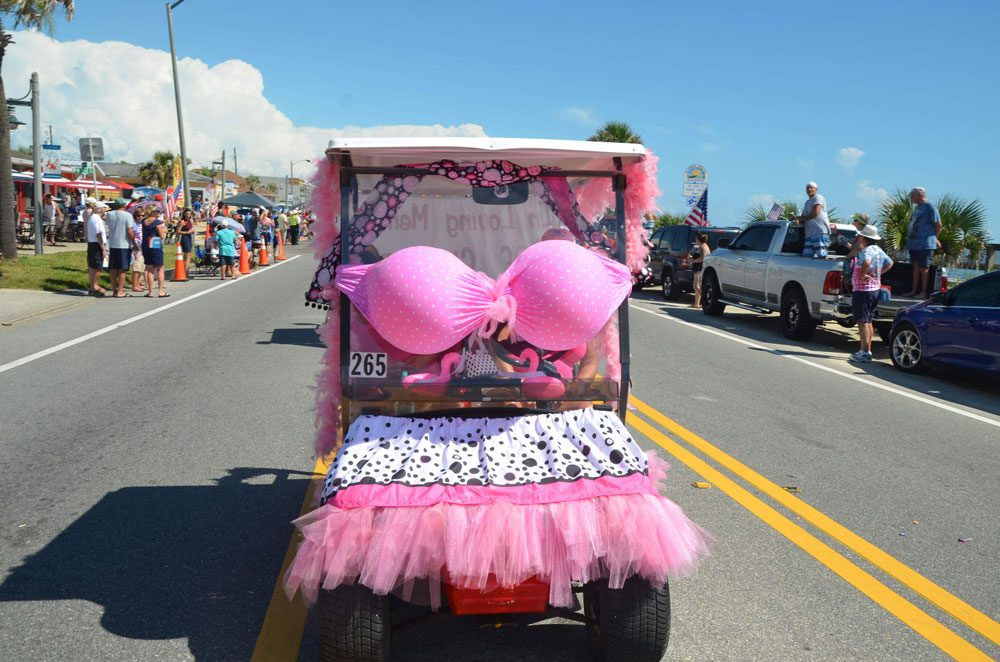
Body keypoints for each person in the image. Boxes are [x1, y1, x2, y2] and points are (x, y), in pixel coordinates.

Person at [849, 225, 894, 363]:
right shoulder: (878, 250)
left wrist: (863, 275)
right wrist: (878, 273)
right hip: (874, 289)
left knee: (862, 321)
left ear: (864, 238)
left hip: (863, 290)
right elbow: (890, 263)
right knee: (868, 320)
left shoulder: (867, 250)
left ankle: (864, 352)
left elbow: (867, 262)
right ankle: (867, 350)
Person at [902, 187, 942, 299]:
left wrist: (935, 239)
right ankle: (913, 291)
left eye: (912, 195)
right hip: (914, 243)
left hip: (925, 243)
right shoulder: (917, 207)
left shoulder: (930, 206)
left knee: (924, 268)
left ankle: (923, 292)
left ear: (920, 194)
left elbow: (938, 225)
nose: (911, 198)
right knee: (915, 267)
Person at [104, 198, 135, 298]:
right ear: (124, 205)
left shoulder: (109, 214)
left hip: (112, 244)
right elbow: (129, 231)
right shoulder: (128, 215)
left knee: (113, 269)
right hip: (124, 244)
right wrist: (134, 241)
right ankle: (120, 291)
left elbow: (106, 220)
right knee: (122, 269)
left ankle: (114, 290)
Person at [793, 181, 830, 258]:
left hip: (819, 232)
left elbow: (814, 213)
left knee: (822, 256)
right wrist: (797, 220)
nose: (809, 189)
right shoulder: (807, 202)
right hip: (809, 234)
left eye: (811, 187)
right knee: (807, 256)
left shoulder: (818, 197)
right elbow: (803, 216)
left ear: (816, 189)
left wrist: (798, 218)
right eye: (807, 188)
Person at [141, 207, 169, 298]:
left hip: (146, 245)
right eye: (157, 211)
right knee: (160, 268)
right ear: (153, 212)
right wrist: (165, 231)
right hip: (155, 245)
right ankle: (161, 291)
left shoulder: (144, 221)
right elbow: (162, 236)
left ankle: (150, 292)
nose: (159, 213)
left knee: (149, 268)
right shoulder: (157, 222)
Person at [85, 200, 109, 296]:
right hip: (96, 244)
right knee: (96, 267)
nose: (105, 210)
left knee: (93, 267)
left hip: (92, 244)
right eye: (104, 208)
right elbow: (99, 234)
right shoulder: (96, 218)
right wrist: (103, 249)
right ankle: (94, 286)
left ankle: (93, 286)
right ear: (100, 209)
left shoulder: (93, 217)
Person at [691, 233, 711, 308]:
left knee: (696, 286)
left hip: (700, 268)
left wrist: (693, 261)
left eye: (696, 239)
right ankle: (696, 303)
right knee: (696, 286)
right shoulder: (701, 246)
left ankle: (705, 300)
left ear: (699, 239)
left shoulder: (703, 247)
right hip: (698, 267)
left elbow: (703, 258)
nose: (695, 240)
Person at [130, 209, 146, 292]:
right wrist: (134, 245)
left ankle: (138, 283)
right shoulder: (134, 224)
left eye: (143, 215)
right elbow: (131, 235)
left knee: (141, 267)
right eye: (139, 215)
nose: (141, 217)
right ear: (135, 216)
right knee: (137, 267)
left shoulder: (143, 224)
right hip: (136, 247)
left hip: (143, 247)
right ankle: (134, 285)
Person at [177, 208, 196, 275]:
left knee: (187, 255)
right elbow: (178, 231)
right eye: (187, 214)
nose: (188, 215)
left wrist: (192, 230)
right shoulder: (182, 221)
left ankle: (185, 270)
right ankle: (185, 272)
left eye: (189, 214)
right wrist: (186, 232)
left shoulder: (190, 221)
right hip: (184, 238)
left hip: (189, 238)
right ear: (184, 214)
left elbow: (193, 229)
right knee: (187, 255)